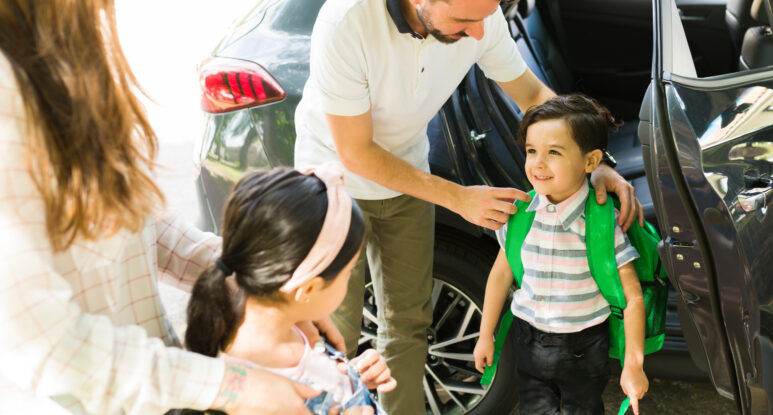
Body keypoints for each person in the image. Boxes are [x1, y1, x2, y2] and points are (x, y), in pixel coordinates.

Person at [295, 0, 645, 411]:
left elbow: (532, 94)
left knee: (408, 324)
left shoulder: (480, 14)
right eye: (465, 21)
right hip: (336, 187)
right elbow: (356, 152)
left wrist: (596, 161)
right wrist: (459, 198)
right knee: (331, 333)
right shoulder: (347, 20)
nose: (479, 34)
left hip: (410, 179)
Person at [0, 1, 335, 413]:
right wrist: (232, 387)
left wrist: (273, 288)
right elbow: (44, 343)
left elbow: (138, 226)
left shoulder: (67, 56)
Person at [473, 94, 649, 414]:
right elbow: (501, 274)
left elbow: (633, 298)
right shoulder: (520, 214)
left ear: (591, 162)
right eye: (531, 151)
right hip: (527, 337)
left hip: (583, 346)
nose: (538, 163)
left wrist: (633, 365)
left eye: (553, 152)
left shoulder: (600, 222)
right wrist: (486, 334)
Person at [183, 165, 397, 415]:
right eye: (347, 273)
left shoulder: (297, 328)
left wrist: (352, 378)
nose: (348, 279)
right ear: (307, 289)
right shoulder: (256, 400)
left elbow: (322, 375)